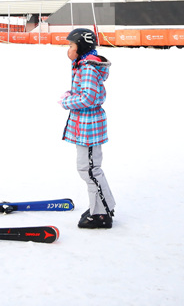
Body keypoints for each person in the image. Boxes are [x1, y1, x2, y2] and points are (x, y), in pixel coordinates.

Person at [59, 28, 116, 229]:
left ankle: (101, 213)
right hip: (84, 127)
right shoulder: (82, 66)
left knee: (90, 170)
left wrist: (67, 101)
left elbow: (88, 98)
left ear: (81, 47)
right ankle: (100, 206)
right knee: (88, 169)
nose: (68, 50)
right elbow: (83, 91)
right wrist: (71, 94)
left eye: (71, 46)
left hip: (89, 128)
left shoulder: (87, 68)